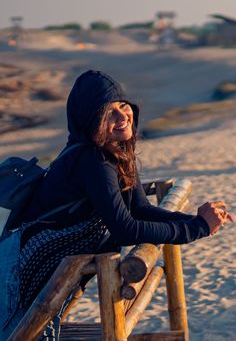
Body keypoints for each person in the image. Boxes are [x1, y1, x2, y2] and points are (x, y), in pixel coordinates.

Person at [1, 70, 233, 340]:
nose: (123, 116)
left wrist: (194, 221)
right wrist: (198, 227)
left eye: (123, 106)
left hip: (37, 265)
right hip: (22, 272)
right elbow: (125, 229)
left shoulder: (113, 152)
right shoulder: (93, 161)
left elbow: (140, 209)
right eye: (109, 112)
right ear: (91, 119)